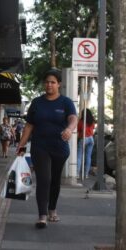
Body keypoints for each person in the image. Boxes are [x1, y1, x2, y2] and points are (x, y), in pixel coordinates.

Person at [17, 69, 77, 229]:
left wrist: (70, 129)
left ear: (59, 84)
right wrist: (21, 145)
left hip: (59, 148)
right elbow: (29, 125)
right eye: (47, 82)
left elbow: (73, 118)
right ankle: (42, 215)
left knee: (55, 180)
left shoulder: (66, 102)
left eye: (52, 82)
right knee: (44, 179)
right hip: (40, 147)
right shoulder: (37, 102)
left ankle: (52, 209)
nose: (49, 85)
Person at [77, 108, 95, 179]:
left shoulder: (81, 121)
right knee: (88, 157)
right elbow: (92, 128)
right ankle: (86, 174)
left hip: (84, 138)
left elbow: (78, 130)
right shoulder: (92, 121)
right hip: (91, 139)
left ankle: (77, 174)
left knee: (79, 156)